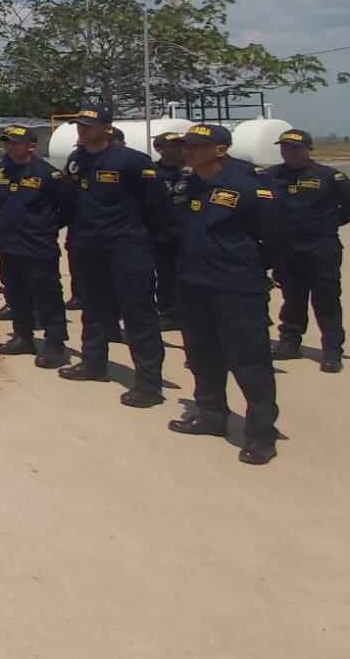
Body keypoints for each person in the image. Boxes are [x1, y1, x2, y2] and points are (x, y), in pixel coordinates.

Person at [168, 122, 290, 464]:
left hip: (236, 287)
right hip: (194, 284)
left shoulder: (249, 185)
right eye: (185, 145)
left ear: (220, 150)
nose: (187, 151)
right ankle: (210, 414)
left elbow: (278, 238)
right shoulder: (189, 182)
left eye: (194, 146)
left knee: (249, 361)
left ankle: (261, 434)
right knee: (202, 355)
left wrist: (251, 267)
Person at [57, 104, 169, 407]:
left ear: (106, 129)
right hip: (88, 247)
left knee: (138, 314)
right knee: (93, 309)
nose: (82, 130)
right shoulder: (77, 159)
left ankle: (148, 384)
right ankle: (93, 363)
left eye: (88, 126)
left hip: (126, 247)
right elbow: (70, 201)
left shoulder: (131, 161)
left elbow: (156, 206)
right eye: (79, 125)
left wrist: (143, 238)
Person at [0, 125, 76, 368]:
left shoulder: (48, 174)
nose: (10, 146)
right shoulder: (1, 171)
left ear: (31, 146)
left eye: (15, 142)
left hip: (38, 246)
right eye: (8, 142)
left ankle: (55, 343)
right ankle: (23, 336)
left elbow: (68, 207)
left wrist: (47, 226)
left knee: (47, 296)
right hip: (8, 244)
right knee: (16, 293)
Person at [268, 129, 350, 373]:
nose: (290, 153)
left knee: (326, 300)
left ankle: (332, 351)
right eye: (285, 147)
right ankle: (289, 343)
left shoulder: (330, 177)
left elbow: (347, 208)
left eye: (296, 148)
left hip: (320, 247)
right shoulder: (271, 175)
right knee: (292, 297)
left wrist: (325, 224)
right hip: (287, 249)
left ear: (309, 149)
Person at [150, 131, 186, 331]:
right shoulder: (151, 172)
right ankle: (167, 313)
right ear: (159, 149)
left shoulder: (191, 172)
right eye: (174, 146)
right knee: (165, 277)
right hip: (161, 234)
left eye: (181, 145)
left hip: (188, 235)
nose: (179, 149)